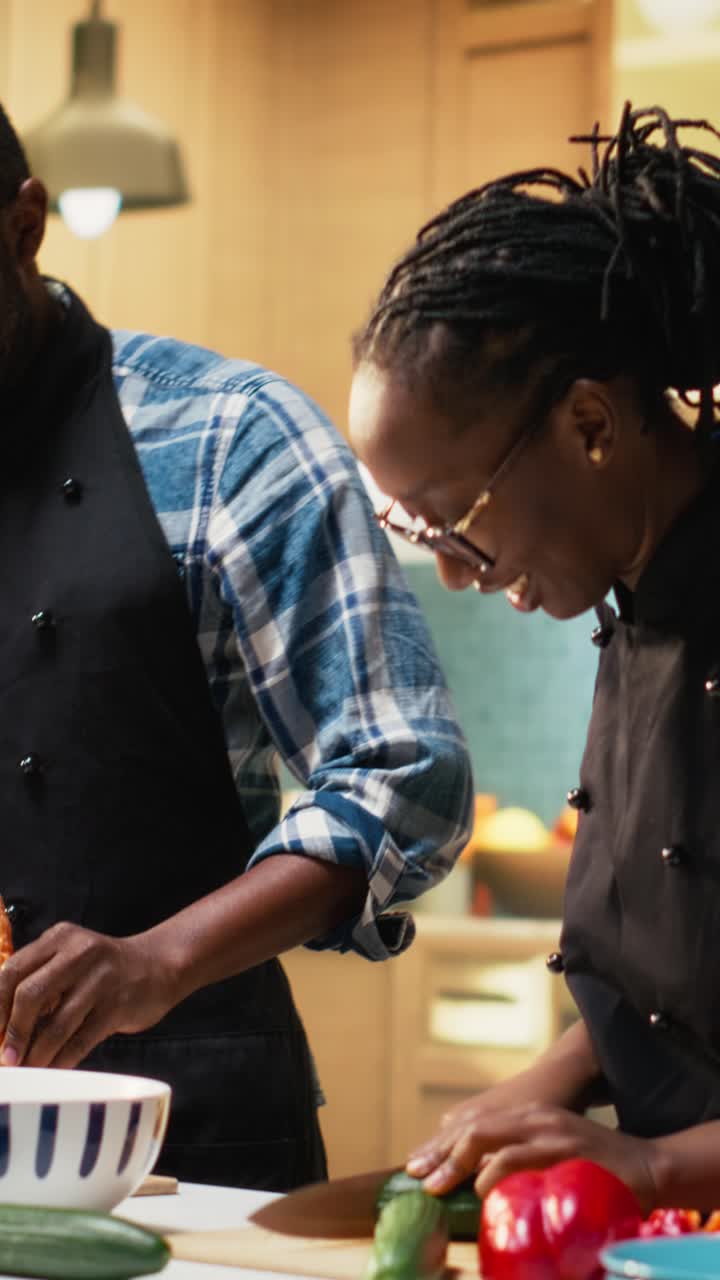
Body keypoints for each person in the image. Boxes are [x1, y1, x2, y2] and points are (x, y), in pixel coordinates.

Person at [0, 102, 473, 1191]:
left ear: (23, 227)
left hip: (201, 1142)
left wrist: (159, 959)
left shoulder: (229, 436)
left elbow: (408, 773)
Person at [349, 101, 720, 1215]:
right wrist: (536, 1087)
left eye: (452, 514)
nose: (455, 570)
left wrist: (655, 1164)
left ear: (592, 425)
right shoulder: (636, 594)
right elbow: (650, 991)